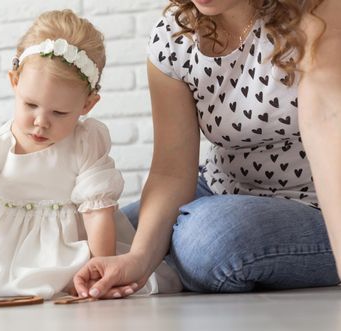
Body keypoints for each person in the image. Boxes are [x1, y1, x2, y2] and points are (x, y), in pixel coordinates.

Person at [74, 0, 341, 299]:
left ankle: (188, 251)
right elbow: (171, 172)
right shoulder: (174, 36)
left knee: (208, 237)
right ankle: (181, 256)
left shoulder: (314, 13)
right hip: (220, 188)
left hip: (315, 204)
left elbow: (329, 126)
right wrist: (139, 258)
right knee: (94, 236)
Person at [0, 10, 169, 300]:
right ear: (14, 82)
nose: (41, 121)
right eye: (30, 105)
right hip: (2, 249)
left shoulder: (85, 142)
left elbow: (96, 212)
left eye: (59, 112)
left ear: (88, 105)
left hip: (69, 248)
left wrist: (99, 267)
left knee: (74, 284)